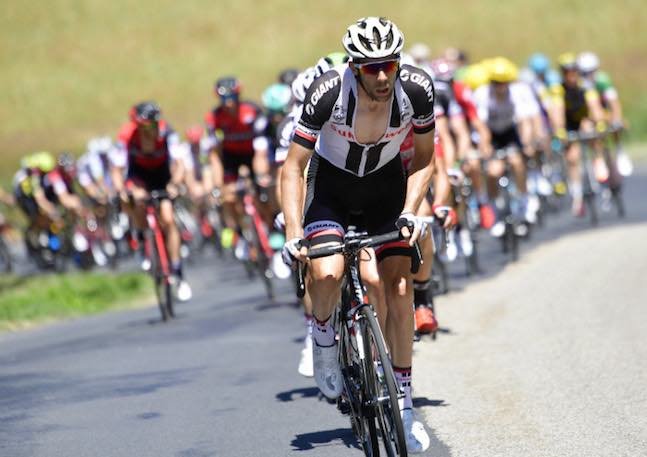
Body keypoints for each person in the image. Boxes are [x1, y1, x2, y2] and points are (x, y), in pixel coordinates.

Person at [281, 17, 445, 453]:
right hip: (331, 187)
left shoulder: (417, 89)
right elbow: (293, 166)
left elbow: (426, 158)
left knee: (398, 285)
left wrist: (411, 211)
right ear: (353, 66)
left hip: (385, 187)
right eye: (370, 66)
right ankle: (322, 339)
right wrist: (294, 232)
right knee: (329, 274)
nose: (381, 75)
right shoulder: (328, 93)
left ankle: (405, 407)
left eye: (388, 64)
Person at [110, 101, 192, 301]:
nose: (150, 129)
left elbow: (180, 164)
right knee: (135, 201)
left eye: (153, 124)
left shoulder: (167, 132)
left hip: (162, 175)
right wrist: (122, 190)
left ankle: (176, 269)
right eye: (145, 126)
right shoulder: (126, 136)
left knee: (168, 218)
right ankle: (140, 236)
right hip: (138, 175)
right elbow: (116, 170)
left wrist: (175, 183)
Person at [205, 77, 271, 256]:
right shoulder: (214, 118)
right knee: (228, 197)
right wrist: (218, 185)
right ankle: (239, 234)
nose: (228, 104)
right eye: (223, 100)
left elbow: (261, 150)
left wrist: (261, 175)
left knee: (262, 192)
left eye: (232, 98)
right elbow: (215, 155)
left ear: (238, 96)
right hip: (230, 157)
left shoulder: (252, 111)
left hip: (253, 153)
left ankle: (270, 229)